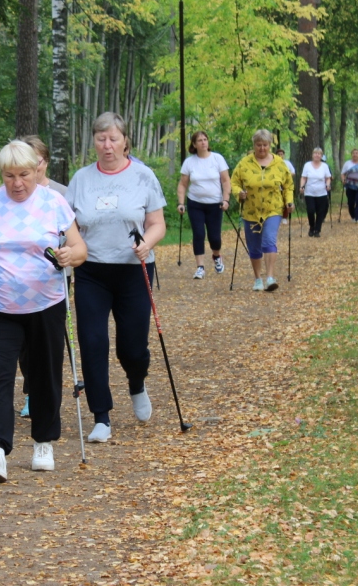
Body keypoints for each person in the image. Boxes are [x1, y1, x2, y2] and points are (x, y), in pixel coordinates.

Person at [0, 141, 87, 483]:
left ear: (37, 170)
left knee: (44, 373)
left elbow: (79, 248)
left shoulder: (53, 202)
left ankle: (43, 441)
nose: (17, 183)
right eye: (9, 176)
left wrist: (68, 256)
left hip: (45, 303)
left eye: (24, 175)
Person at [66, 112, 167, 443]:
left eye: (113, 139)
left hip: (133, 269)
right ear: (93, 141)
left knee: (132, 348)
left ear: (125, 140)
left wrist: (147, 244)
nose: (107, 145)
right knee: (93, 341)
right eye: (100, 138)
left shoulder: (143, 176)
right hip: (92, 269)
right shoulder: (81, 179)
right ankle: (102, 416)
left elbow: (157, 223)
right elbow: (69, 226)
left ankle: (137, 383)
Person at [17, 135, 67, 419]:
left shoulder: (61, 193)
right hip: (19, 278)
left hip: (53, 276)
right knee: (23, 341)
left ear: (44, 163)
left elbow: (76, 232)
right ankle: (31, 391)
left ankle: (45, 392)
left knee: (47, 339)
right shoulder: (13, 190)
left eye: (34, 162)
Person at [230, 129, 294, 292]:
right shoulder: (244, 163)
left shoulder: (279, 163)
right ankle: (258, 278)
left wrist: (289, 201)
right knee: (254, 246)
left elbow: (288, 185)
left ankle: (270, 277)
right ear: (254, 145)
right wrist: (239, 193)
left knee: (269, 240)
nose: (262, 148)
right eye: (259, 145)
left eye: (265, 145)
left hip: (273, 209)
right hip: (251, 211)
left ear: (270, 145)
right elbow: (234, 182)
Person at [177, 130, 231, 279]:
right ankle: (200, 266)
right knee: (199, 234)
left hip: (215, 204)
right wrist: (181, 203)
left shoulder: (217, 159)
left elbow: (226, 181)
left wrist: (226, 199)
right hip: (195, 203)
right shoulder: (189, 162)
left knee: (214, 237)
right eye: (199, 140)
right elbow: (182, 184)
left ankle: (216, 256)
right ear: (194, 144)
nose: (203, 142)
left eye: (205, 139)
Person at [300, 147, 332, 237]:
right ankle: (312, 227)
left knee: (320, 212)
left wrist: (328, 185)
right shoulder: (307, 165)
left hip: (321, 192)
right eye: (315, 153)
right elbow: (303, 177)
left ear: (321, 156)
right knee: (310, 210)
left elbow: (328, 178)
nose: (317, 155)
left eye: (319, 154)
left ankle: (317, 230)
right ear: (312, 155)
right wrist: (301, 186)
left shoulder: (325, 166)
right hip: (309, 192)